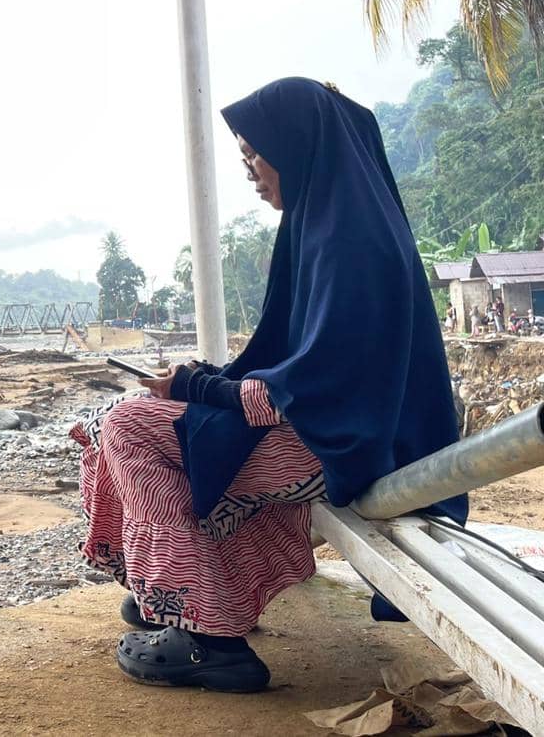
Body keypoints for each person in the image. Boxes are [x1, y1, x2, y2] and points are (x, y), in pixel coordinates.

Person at [71, 78, 466, 692]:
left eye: (256, 154)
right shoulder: (339, 222)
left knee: (124, 427)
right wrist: (197, 382)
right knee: (140, 421)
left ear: (296, 145)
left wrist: (196, 389)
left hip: (352, 444)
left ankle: (207, 637)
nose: (251, 171)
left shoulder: (346, 241)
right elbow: (300, 365)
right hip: (353, 430)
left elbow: (295, 390)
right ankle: (185, 595)